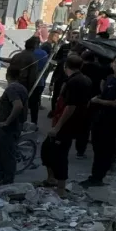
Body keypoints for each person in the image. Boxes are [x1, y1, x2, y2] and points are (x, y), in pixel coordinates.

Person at [41, 55, 91, 197]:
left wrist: (57, 127)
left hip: (66, 124)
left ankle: (60, 189)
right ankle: (51, 179)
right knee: (47, 149)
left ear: (65, 66)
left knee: (60, 155)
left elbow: (71, 107)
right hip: (70, 122)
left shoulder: (74, 82)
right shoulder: (83, 79)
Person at [82, 54, 116, 187]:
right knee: (97, 147)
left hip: (113, 120)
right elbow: (107, 98)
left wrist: (98, 101)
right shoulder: (110, 78)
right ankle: (95, 175)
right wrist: (100, 99)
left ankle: (97, 177)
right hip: (101, 117)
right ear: (112, 64)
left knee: (105, 149)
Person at [0, 67, 29, 185]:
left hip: (9, 127)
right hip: (14, 125)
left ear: (7, 75)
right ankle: (1, 176)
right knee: (4, 152)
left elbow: (18, 105)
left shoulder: (12, 88)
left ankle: (7, 180)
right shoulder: (21, 87)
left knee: (8, 154)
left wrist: (7, 121)